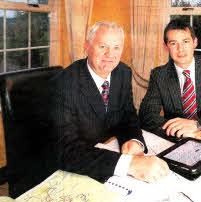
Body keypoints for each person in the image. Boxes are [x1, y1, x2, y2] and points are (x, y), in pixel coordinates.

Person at [47, 21, 169, 184]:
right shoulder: (63, 84)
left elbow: (127, 115)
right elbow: (67, 152)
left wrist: (133, 140)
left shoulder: (122, 72)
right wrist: (129, 164)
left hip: (106, 155)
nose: (110, 55)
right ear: (87, 46)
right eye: (103, 46)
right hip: (72, 171)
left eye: (116, 48)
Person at [139, 19, 201, 151]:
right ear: (166, 47)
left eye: (185, 41)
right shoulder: (159, 75)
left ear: (195, 42)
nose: (180, 49)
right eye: (173, 43)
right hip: (177, 142)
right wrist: (184, 133)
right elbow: (147, 115)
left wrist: (197, 125)